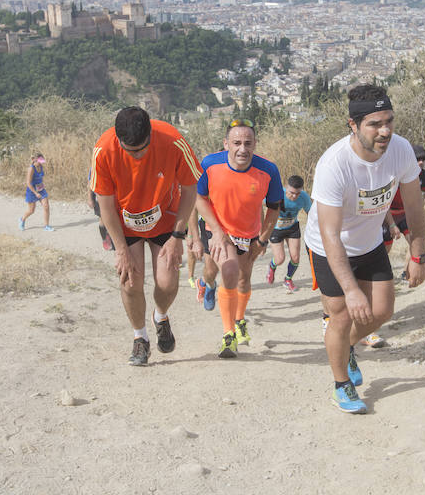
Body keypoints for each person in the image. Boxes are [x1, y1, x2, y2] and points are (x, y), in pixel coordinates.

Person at [304, 84, 425, 414]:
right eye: (375, 124)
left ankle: (346, 348)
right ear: (353, 125)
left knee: (382, 311)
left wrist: (417, 255)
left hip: (369, 242)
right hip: (329, 247)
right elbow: (330, 234)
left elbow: (415, 207)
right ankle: (341, 384)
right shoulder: (334, 164)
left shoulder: (400, 150)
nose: (384, 130)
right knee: (341, 315)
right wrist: (351, 290)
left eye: (389, 121)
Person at [89, 107, 202, 366]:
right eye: (131, 150)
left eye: (142, 148)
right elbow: (104, 205)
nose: (137, 155)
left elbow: (189, 188)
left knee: (167, 282)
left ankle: (160, 316)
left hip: (166, 219)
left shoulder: (173, 141)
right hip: (124, 224)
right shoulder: (103, 150)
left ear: (151, 133)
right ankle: (140, 338)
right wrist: (121, 250)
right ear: (118, 140)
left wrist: (178, 235)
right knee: (130, 282)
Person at [196, 119, 283, 358]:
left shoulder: (268, 170)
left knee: (242, 279)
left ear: (255, 144)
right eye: (236, 143)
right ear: (226, 144)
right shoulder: (210, 163)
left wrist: (263, 240)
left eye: (248, 143)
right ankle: (227, 334)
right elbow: (198, 197)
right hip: (217, 230)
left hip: (248, 234)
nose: (242, 149)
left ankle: (239, 321)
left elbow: (274, 207)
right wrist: (216, 231)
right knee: (218, 271)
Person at [383, 143, 425, 262]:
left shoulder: (424, 176)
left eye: (423, 159)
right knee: (386, 246)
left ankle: (407, 274)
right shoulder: (396, 173)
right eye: (417, 159)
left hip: (405, 214)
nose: (420, 162)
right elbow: (384, 201)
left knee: (415, 243)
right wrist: (391, 224)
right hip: (387, 214)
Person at [265, 174, 311, 292]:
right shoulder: (277, 194)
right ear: (286, 187)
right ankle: (272, 266)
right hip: (276, 229)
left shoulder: (304, 197)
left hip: (292, 227)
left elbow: (311, 214)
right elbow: (259, 205)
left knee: (295, 257)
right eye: (291, 192)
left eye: (297, 193)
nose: (294, 196)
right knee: (280, 259)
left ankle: (288, 279)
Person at [20, 152, 53, 232]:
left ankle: (46, 226)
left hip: (41, 189)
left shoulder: (41, 166)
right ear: (34, 160)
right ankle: (22, 219)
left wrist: (41, 187)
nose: (41, 163)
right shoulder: (31, 169)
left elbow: (41, 178)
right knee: (31, 211)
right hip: (32, 191)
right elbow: (28, 183)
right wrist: (35, 193)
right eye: (39, 161)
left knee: (46, 206)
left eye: (42, 161)